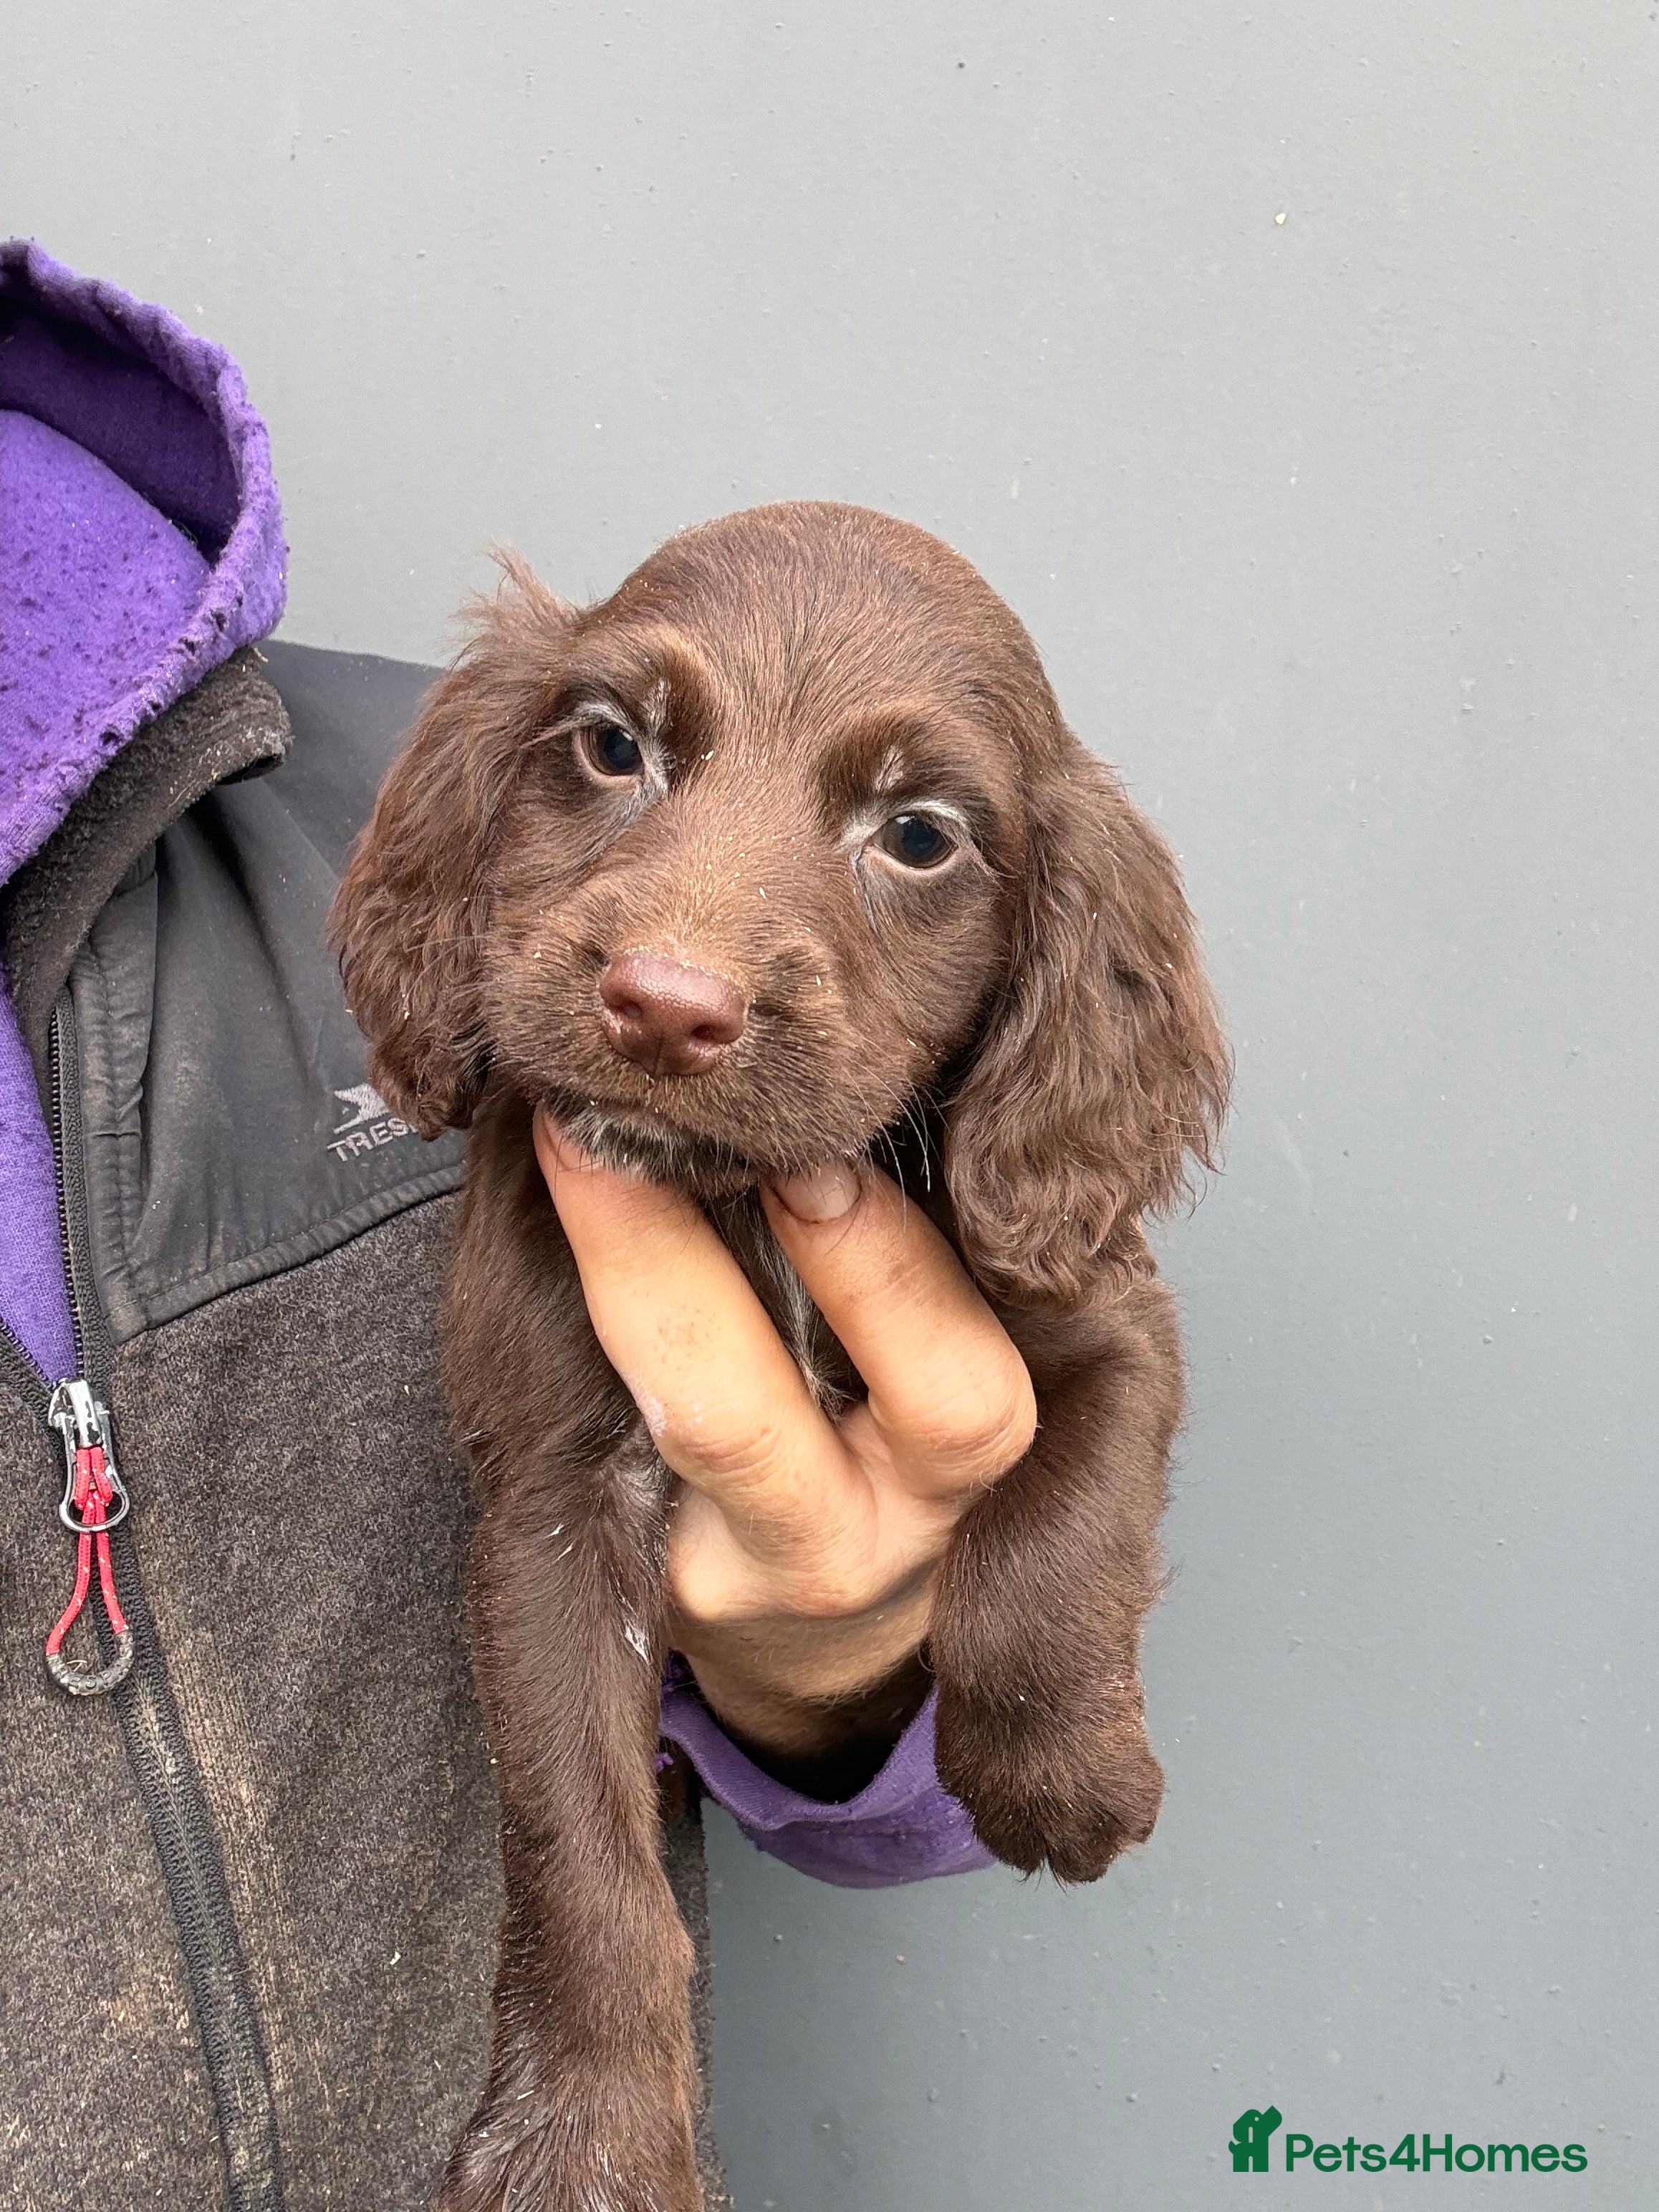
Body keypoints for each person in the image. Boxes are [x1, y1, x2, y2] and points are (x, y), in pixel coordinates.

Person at [0, 241, 1035, 2209]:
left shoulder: (455, 807)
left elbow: (900, 1742)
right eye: (632, 755)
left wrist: (847, 1670)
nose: (680, 962)